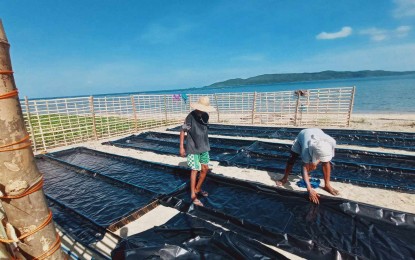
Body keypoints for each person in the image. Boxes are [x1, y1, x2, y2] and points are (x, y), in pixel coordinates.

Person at [276, 128, 338, 204]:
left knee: (326, 162)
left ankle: (327, 185)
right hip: (303, 135)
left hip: (317, 132)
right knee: (292, 158)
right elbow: (304, 168)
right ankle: (284, 178)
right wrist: (309, 189)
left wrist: (316, 162)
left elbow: (327, 157)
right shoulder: (306, 150)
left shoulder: (331, 142)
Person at [179, 96, 215, 207]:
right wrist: (181, 147)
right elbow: (183, 131)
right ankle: (193, 195)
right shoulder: (190, 116)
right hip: (193, 147)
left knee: (204, 169)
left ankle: (198, 189)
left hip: (204, 146)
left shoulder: (206, 115)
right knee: (195, 169)